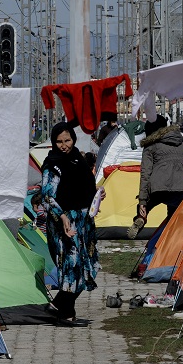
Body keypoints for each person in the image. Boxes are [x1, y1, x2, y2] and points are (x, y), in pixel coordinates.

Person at [40, 122, 104, 326]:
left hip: (84, 221)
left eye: (67, 140)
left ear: (73, 140)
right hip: (64, 223)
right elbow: (47, 197)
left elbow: (86, 187)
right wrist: (63, 217)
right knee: (71, 266)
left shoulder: (79, 159)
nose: (63, 145)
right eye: (59, 141)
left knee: (89, 265)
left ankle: (58, 306)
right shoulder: (53, 165)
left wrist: (96, 200)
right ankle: (66, 314)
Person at [128, 115, 183, 239]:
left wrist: (142, 202)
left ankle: (141, 217)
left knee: (148, 203)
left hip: (161, 188)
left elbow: (145, 174)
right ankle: (173, 243)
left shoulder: (150, 146)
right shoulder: (181, 142)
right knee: (174, 213)